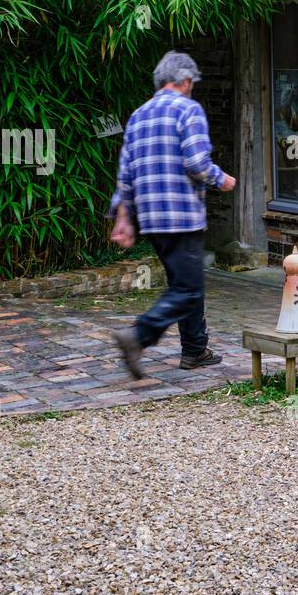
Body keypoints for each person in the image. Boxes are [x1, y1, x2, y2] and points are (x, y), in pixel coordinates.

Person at [108, 51, 235, 378]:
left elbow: (125, 173)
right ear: (184, 81)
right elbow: (196, 163)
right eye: (191, 81)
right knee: (188, 289)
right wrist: (222, 180)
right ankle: (138, 336)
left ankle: (194, 350)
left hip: (151, 217)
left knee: (186, 282)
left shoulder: (138, 115)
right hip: (181, 214)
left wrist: (124, 217)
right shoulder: (188, 110)